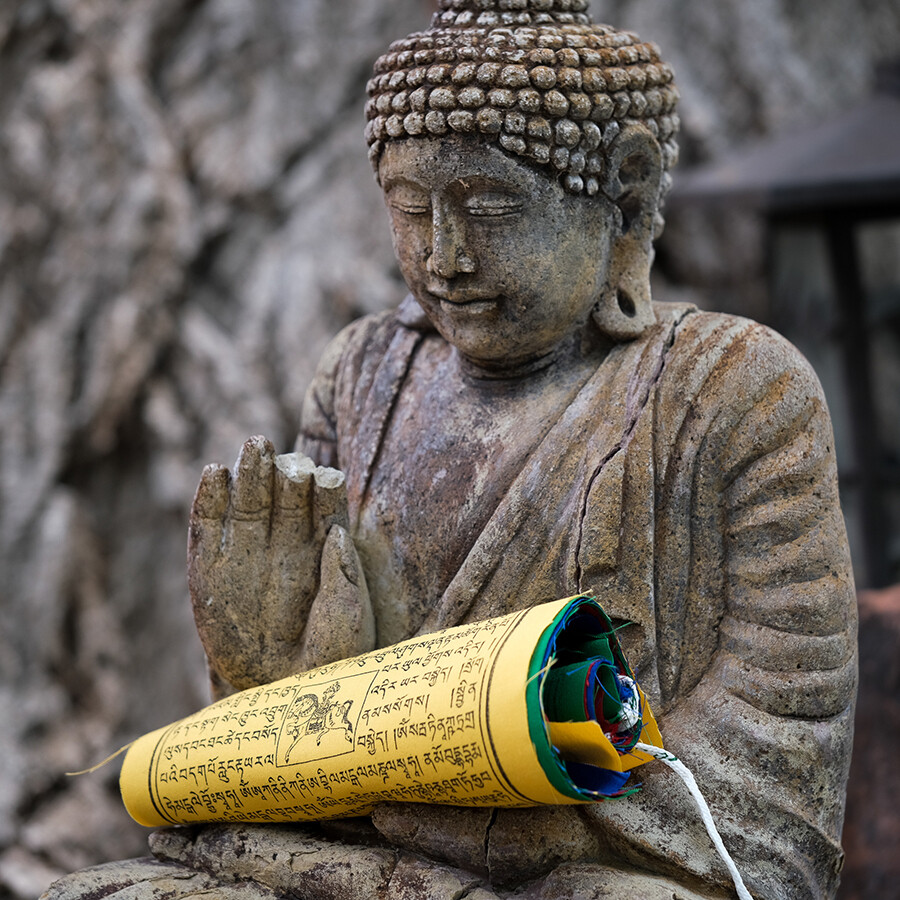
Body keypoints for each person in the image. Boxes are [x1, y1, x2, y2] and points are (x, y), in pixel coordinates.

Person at [45, 2, 857, 898]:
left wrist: (507, 820)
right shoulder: (360, 375)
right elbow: (304, 722)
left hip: (592, 869)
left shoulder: (737, 388)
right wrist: (261, 670)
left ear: (623, 199)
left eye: (492, 208)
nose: (445, 257)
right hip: (356, 853)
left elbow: (778, 729)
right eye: (411, 209)